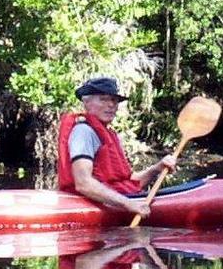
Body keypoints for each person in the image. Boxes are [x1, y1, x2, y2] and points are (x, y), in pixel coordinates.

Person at [56, 76, 178, 213]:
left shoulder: (109, 134)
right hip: (85, 207)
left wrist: (157, 168)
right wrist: (128, 204)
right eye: (103, 99)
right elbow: (83, 183)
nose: (111, 105)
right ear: (86, 102)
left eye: (114, 100)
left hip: (121, 200)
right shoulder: (83, 132)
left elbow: (128, 181)